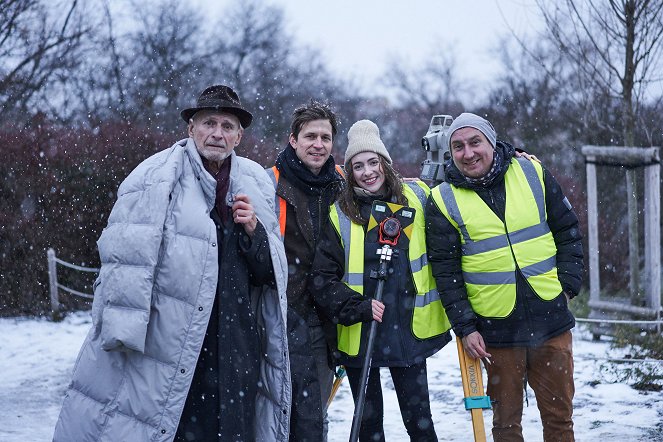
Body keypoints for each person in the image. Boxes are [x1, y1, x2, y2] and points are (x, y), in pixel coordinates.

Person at [53, 85, 291, 442]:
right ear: (190, 128)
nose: (217, 133)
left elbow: (270, 274)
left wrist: (254, 232)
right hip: (171, 342)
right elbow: (125, 256)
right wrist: (122, 328)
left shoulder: (257, 181)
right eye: (208, 122)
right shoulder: (154, 176)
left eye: (227, 126)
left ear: (239, 136)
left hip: (236, 346)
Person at [425, 112, 584, 442]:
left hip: (551, 323)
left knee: (559, 421)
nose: (467, 153)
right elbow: (446, 271)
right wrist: (466, 327)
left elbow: (567, 229)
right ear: (449, 152)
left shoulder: (531, 170)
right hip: (495, 333)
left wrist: (567, 286)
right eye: (458, 146)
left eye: (474, 142)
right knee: (506, 427)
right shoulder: (442, 199)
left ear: (492, 142)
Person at [309, 119, 452, 442]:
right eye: (358, 165)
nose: (367, 172)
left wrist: (512, 155)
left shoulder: (417, 197)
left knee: (420, 422)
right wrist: (357, 307)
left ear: (385, 164)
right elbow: (321, 278)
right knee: (368, 427)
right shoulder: (340, 214)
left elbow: (458, 185)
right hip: (361, 333)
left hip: (409, 329)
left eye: (373, 162)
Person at [265, 100, 344, 441]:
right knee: (279, 408)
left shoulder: (342, 182)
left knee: (316, 411)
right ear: (292, 140)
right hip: (282, 312)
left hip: (329, 314)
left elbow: (393, 184)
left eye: (325, 137)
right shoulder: (268, 182)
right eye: (310, 136)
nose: (318, 144)